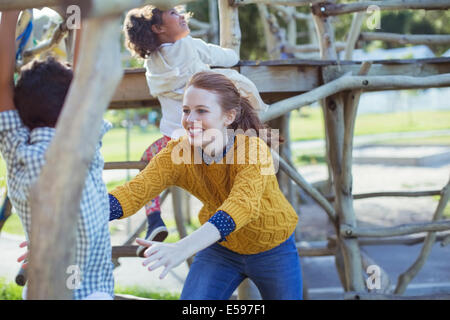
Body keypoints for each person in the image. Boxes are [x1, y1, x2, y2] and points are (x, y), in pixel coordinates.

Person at [109, 71, 302, 300]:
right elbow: (134, 192)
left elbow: (242, 206)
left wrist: (183, 248)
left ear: (228, 116)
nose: (190, 120)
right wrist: (88, 212)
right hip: (221, 248)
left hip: (273, 247)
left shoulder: (252, 150)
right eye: (186, 110)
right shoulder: (177, 153)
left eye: (202, 111)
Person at [122, 6, 268, 256]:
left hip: (176, 140)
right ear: (158, 28)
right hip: (212, 136)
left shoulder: (152, 64)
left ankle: (155, 218)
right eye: (174, 14)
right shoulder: (188, 46)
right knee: (235, 172)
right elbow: (223, 56)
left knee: (149, 161)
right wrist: (232, 56)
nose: (182, 16)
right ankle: (230, 222)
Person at [0, 11, 114, 300]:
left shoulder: (18, 152)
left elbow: (2, 86)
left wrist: (10, 13)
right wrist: (83, 13)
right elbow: (85, 74)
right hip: (91, 293)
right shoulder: (83, 139)